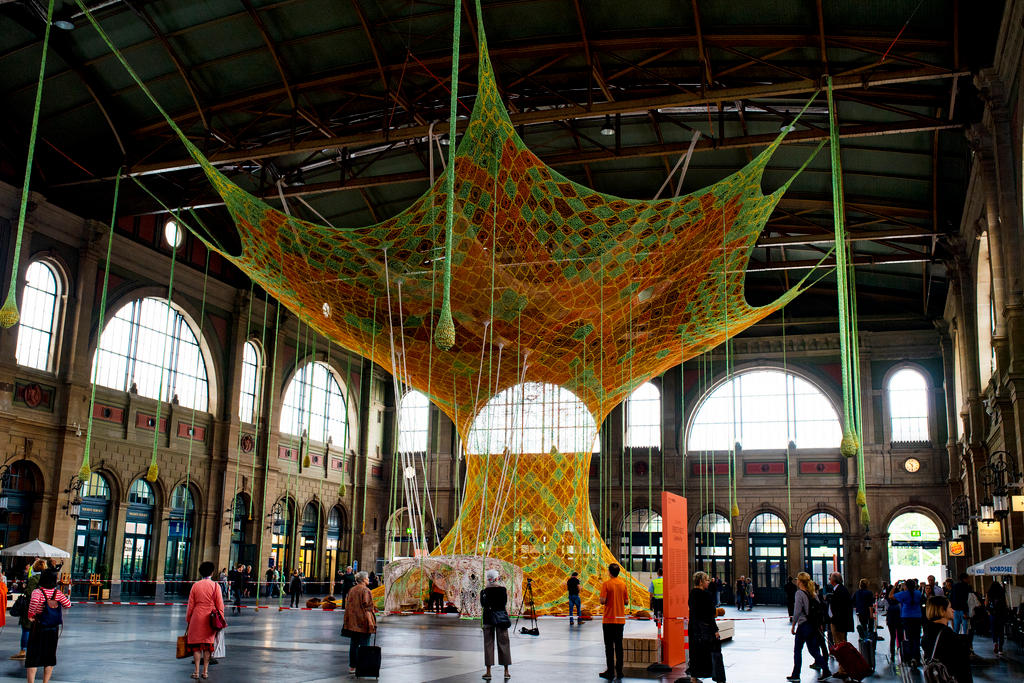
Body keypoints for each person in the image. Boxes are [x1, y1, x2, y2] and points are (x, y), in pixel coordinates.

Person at [24, 570, 71, 683]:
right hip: (53, 629)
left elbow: (34, 603)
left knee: (33, 656)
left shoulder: (37, 592)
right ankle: (45, 682)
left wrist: (30, 615)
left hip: (38, 627)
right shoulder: (57, 593)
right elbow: (68, 604)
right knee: (49, 657)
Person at [789, 572, 831, 682]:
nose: (796, 581)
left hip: (803, 625)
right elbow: (819, 610)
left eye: (797, 579)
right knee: (813, 650)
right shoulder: (812, 593)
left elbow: (797, 611)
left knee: (797, 650)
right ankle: (826, 670)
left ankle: (796, 674)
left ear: (800, 581)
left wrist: (793, 624)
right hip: (812, 625)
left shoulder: (799, 593)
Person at [186, 561, 225, 680]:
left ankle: (196, 671)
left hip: (196, 618)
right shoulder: (215, 586)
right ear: (212, 572)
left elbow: (190, 605)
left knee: (196, 647)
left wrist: (189, 619)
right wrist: (221, 619)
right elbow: (220, 605)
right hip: (210, 619)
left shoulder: (195, 586)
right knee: (208, 646)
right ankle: (205, 672)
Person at [921, 595, 973, 683]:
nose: (952, 610)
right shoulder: (946, 635)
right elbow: (961, 665)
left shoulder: (927, 633)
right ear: (942, 610)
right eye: (949, 607)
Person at [687, 571, 721, 683]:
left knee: (695, 652)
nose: (708, 582)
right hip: (705, 628)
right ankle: (716, 674)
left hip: (693, 627)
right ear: (701, 582)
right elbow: (710, 614)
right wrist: (715, 629)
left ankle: (694, 676)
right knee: (710, 651)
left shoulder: (692, 594)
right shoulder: (706, 595)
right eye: (706, 580)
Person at [341, 570, 376, 675]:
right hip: (363, 621)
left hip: (353, 621)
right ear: (364, 579)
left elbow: (349, 605)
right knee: (364, 645)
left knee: (354, 644)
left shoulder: (352, 590)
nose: (368, 579)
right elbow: (368, 608)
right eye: (367, 578)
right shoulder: (366, 591)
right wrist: (371, 623)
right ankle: (362, 666)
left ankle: (352, 667)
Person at [480, 569, 512, 680]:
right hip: (500, 620)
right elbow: (504, 603)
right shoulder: (502, 590)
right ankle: (506, 671)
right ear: (497, 578)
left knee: (488, 645)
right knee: (504, 643)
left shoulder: (483, 592)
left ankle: (488, 672)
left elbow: (483, 604)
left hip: (488, 619)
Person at [12, 559, 46, 661]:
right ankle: (36, 650)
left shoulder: (34, 578)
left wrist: (26, 588)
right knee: (38, 630)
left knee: (26, 628)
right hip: (42, 608)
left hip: (31, 606)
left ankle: (23, 651)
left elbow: (30, 593)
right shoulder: (46, 579)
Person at [599, 563, 627, 681]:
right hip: (620, 620)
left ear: (609, 572)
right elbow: (626, 602)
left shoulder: (606, 584)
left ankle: (610, 671)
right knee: (619, 646)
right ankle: (619, 671)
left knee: (609, 647)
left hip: (608, 620)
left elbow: (602, 600)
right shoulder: (623, 584)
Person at [893, 578, 924, 666]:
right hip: (917, 616)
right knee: (917, 638)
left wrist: (896, 586)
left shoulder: (903, 594)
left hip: (907, 617)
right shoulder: (918, 593)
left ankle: (910, 658)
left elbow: (891, 595)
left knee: (909, 637)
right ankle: (917, 657)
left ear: (906, 586)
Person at [828, 572, 853, 677]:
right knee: (839, 645)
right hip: (838, 622)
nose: (829, 579)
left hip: (839, 623)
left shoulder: (840, 591)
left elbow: (840, 609)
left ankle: (843, 670)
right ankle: (842, 668)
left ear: (834, 580)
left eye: (830, 578)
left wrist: (833, 619)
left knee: (840, 646)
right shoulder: (839, 590)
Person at [985, 577, 1008, 657]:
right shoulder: (1002, 592)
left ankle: (995, 643)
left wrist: (988, 611)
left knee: (994, 630)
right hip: (1001, 614)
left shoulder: (989, 593)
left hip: (992, 614)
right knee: (1001, 631)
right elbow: (1005, 603)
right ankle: (1001, 649)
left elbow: (986, 604)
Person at [885, 582, 904, 661]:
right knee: (900, 637)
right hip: (899, 619)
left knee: (892, 637)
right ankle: (902, 652)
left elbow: (888, 596)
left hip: (891, 619)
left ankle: (892, 652)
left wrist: (894, 587)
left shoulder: (889, 601)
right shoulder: (899, 600)